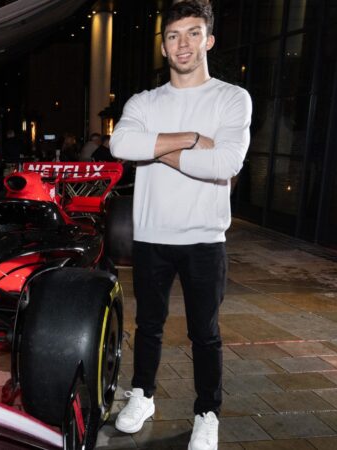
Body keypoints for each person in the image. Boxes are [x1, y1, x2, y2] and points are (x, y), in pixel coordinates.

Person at [109, 2, 251, 450]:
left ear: (209, 40)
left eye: (192, 33)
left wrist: (154, 150)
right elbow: (120, 145)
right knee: (148, 326)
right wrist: (190, 139)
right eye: (173, 35)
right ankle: (143, 395)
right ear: (164, 47)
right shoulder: (144, 101)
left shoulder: (232, 98)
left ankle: (208, 413)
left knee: (204, 333)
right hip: (152, 236)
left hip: (205, 238)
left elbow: (225, 164)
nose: (182, 43)